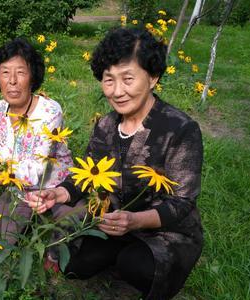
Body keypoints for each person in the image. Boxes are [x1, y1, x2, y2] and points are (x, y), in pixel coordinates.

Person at [25, 27, 204, 299]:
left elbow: (181, 202)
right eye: (109, 80)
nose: (117, 91)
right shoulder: (107, 125)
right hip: (112, 220)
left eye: (128, 79)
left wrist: (135, 221)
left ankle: (137, 260)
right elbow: (85, 173)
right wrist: (57, 193)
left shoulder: (180, 129)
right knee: (72, 264)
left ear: (153, 77)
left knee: (137, 267)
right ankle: (116, 251)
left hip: (164, 229)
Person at [0, 38, 76, 247]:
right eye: (5, 72)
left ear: (33, 77)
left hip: (55, 186)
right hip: (18, 191)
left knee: (73, 226)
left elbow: (39, 168)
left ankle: (55, 232)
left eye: (21, 72)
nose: (12, 81)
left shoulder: (50, 111)